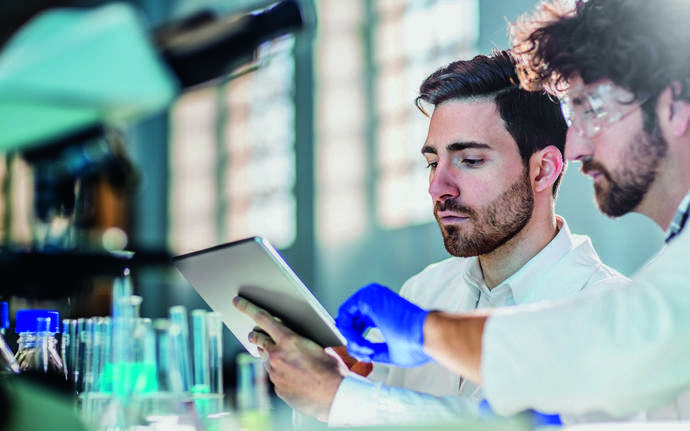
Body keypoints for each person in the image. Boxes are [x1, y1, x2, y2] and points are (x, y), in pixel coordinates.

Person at [233, 49, 629, 426]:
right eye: (432, 162)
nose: (438, 187)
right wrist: (326, 387)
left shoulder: (611, 313)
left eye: (470, 160)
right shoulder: (424, 291)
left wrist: (343, 399)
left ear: (543, 170)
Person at [336, 0, 690, 421]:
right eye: (433, 162)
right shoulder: (424, 291)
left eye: (592, 109)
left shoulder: (615, 300)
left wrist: (420, 335)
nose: (575, 147)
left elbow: (606, 341)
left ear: (671, 105)